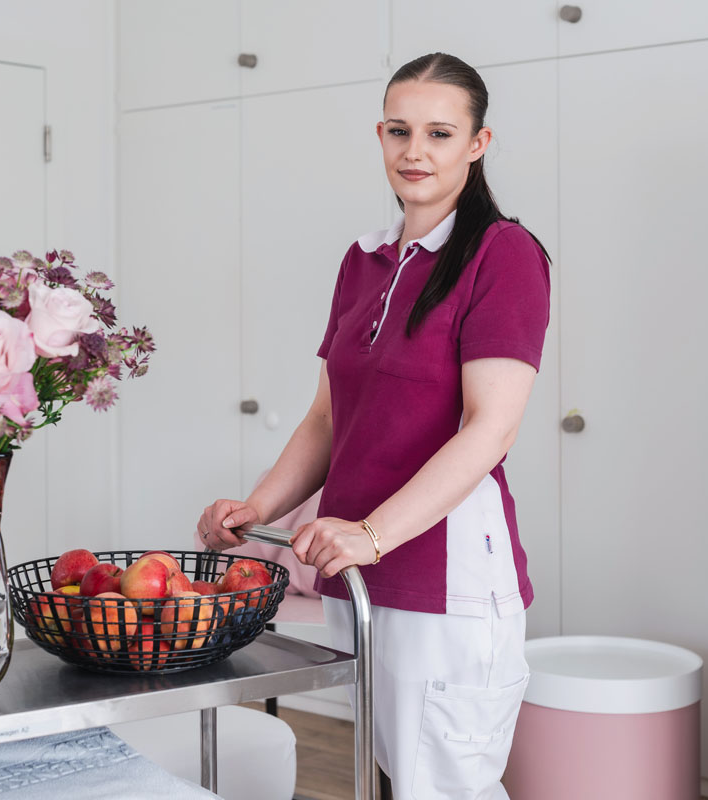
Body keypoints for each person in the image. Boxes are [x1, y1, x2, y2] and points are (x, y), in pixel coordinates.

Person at [198, 52, 551, 800]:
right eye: (399, 131)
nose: (415, 152)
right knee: (391, 778)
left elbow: (491, 429)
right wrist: (258, 508)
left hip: (443, 577)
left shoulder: (502, 255)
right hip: (357, 576)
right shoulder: (365, 261)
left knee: (443, 789)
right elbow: (329, 417)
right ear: (381, 136)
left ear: (478, 144)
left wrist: (374, 531)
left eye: (440, 134)